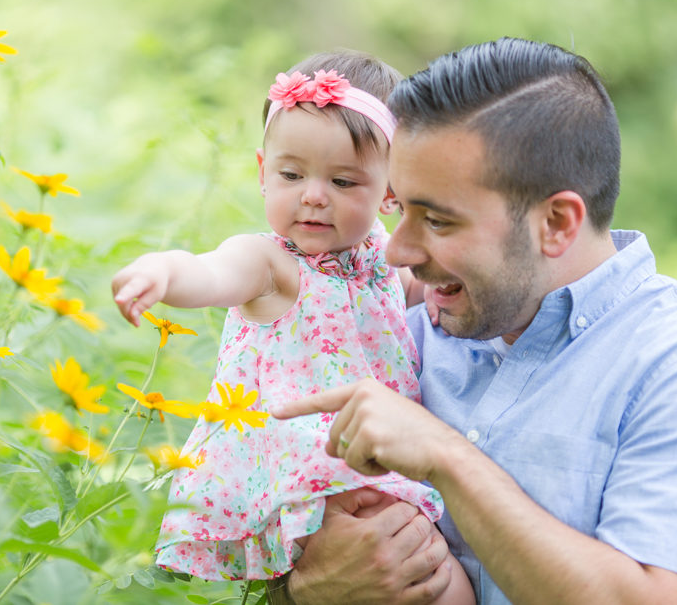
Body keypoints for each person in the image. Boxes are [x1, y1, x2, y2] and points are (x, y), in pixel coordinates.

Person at [273, 38, 677, 605]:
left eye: (436, 220)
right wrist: (305, 589)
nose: (396, 252)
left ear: (556, 222)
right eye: (399, 208)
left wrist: (448, 457)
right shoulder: (390, 325)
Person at [111, 50, 475, 603]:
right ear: (262, 172)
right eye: (291, 174)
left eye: (344, 181)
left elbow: (442, 290)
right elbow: (209, 272)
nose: (312, 195)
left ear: (391, 190)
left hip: (380, 463)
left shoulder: (385, 259)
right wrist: (163, 270)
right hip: (303, 481)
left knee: (443, 586)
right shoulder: (270, 263)